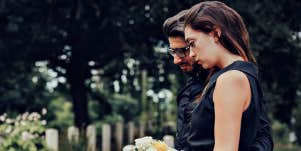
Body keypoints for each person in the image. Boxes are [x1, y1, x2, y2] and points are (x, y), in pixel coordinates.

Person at [183, 1, 273, 151]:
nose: (191, 54)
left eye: (192, 43)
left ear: (215, 33)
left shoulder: (230, 80)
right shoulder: (243, 74)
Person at [163, 10, 209, 151]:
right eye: (173, 52)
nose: (176, 60)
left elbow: (260, 137)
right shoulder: (190, 85)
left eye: (183, 51)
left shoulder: (226, 83)